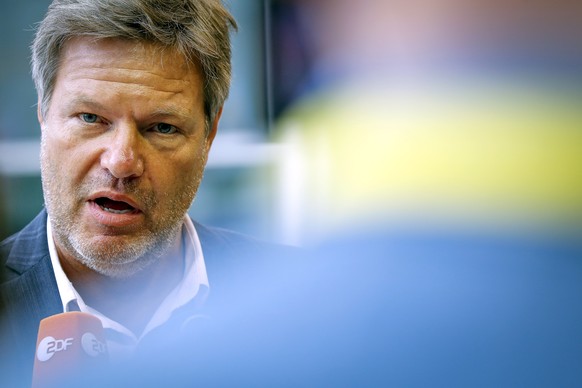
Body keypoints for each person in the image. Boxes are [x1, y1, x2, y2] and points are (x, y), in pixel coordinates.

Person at [0, 0, 287, 385]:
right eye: (90, 118)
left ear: (210, 133)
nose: (121, 162)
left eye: (162, 128)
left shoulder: (298, 301)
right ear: (43, 113)